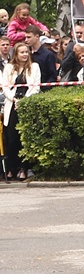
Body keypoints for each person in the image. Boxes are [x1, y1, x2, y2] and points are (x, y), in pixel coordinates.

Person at [2, 40, 41, 179]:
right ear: (16, 54)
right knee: (11, 138)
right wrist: (15, 99)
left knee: (25, 138)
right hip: (12, 103)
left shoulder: (35, 66)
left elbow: (36, 86)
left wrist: (24, 101)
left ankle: (24, 168)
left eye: (26, 52)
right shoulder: (9, 67)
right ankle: (12, 167)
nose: (25, 55)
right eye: (22, 52)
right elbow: (5, 87)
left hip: (27, 102)